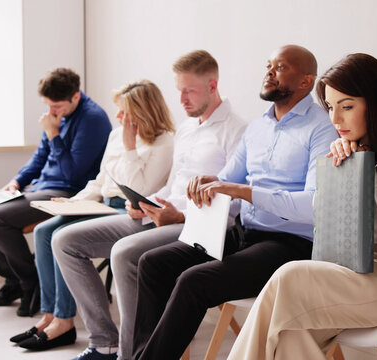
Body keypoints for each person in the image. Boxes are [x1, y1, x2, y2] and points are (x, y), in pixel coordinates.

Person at [226, 53, 377, 360]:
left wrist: (368, 172)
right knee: (292, 329)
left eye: (347, 106)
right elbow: (328, 226)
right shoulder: (353, 144)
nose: (335, 120)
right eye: (330, 107)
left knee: (288, 278)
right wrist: (342, 172)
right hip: (365, 266)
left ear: (376, 103)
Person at [130, 44, 338, 360]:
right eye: (268, 64)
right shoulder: (257, 128)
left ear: (306, 81)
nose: (269, 71)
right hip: (244, 236)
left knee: (194, 281)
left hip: (291, 246)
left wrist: (240, 190)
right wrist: (208, 185)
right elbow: (225, 182)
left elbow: (312, 205)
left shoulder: (322, 127)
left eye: (280, 67)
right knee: (153, 263)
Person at [53, 50, 247, 360]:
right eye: (178, 90)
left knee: (125, 253)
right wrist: (147, 203)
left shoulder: (236, 130)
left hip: (201, 226)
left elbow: (233, 205)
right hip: (164, 215)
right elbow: (172, 185)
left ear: (213, 86)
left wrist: (178, 214)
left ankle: (130, 355)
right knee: (65, 240)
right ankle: (105, 341)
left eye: (189, 90)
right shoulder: (186, 129)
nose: (181, 98)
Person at [10, 80, 175, 351]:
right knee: (43, 231)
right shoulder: (116, 136)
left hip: (131, 211)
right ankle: (51, 316)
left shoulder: (164, 142)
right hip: (103, 206)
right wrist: (72, 202)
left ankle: (64, 321)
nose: (119, 117)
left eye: (124, 111)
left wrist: (131, 146)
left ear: (143, 111)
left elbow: (141, 189)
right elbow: (100, 181)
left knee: (61, 237)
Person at [0, 68, 111, 317]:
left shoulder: (93, 119)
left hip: (69, 191)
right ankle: (17, 279)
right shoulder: (56, 114)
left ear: (75, 96)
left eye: (58, 106)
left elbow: (72, 174)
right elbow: (40, 157)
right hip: (39, 187)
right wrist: (17, 181)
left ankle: (30, 283)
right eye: (48, 106)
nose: (52, 112)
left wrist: (53, 133)